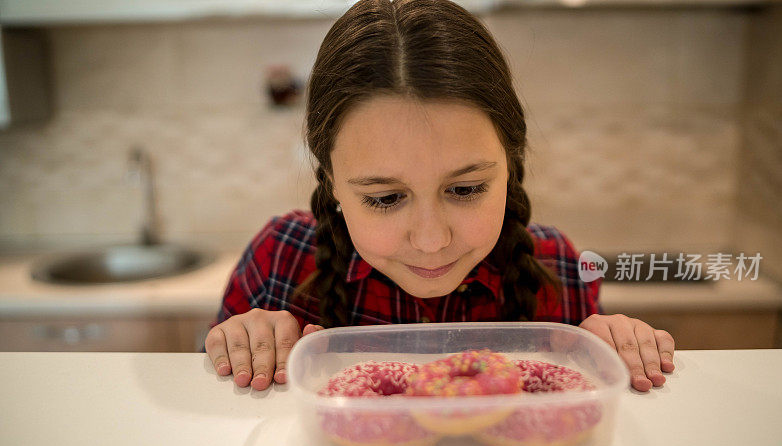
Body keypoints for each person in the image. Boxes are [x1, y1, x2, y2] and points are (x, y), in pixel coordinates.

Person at [204, 0, 675, 393]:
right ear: (330, 180)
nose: (431, 241)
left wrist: (609, 348)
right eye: (386, 198)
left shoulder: (558, 272)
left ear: (509, 165)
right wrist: (245, 343)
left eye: (465, 189)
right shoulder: (280, 261)